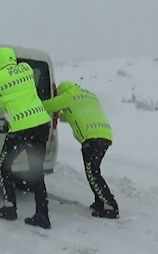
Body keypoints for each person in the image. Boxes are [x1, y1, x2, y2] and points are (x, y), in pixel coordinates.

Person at [0, 46, 53, 229]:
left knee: (4, 165)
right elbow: (12, 73)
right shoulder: (26, 69)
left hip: (21, 129)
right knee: (36, 170)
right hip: (42, 124)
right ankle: (42, 215)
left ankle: (9, 207)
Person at [42, 81, 119, 219]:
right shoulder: (89, 95)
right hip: (104, 135)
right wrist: (61, 116)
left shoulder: (68, 95)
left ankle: (110, 206)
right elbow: (77, 112)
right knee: (94, 171)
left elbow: (49, 105)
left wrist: (31, 104)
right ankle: (99, 202)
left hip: (92, 138)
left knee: (92, 173)